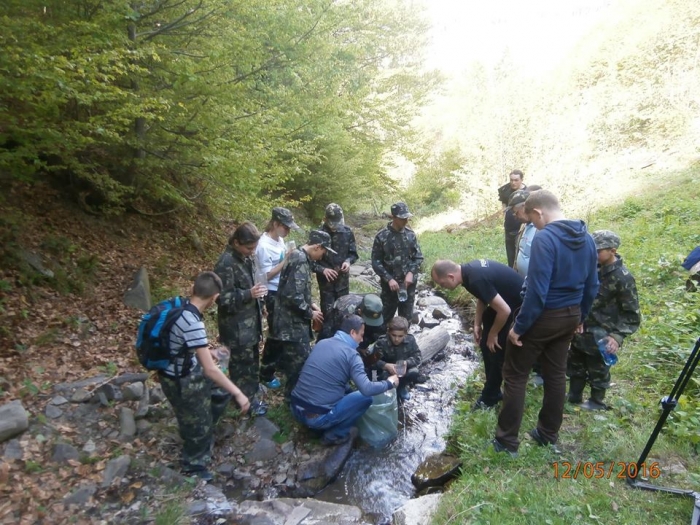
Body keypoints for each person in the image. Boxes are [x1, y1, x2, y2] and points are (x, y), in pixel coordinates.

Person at [493, 190, 598, 457]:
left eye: (531, 219)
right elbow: (592, 285)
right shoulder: (586, 238)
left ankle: (506, 442)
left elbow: (537, 291)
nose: (531, 225)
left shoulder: (545, 238)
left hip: (544, 315)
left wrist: (519, 327)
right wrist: (580, 317)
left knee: (515, 375)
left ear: (538, 212)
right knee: (555, 374)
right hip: (570, 314)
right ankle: (547, 434)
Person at [159, 271, 250, 481]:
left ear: (194, 288)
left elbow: (181, 343)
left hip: (178, 368)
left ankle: (204, 428)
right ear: (215, 298)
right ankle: (194, 467)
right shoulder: (193, 322)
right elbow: (210, 370)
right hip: (180, 379)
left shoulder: (179, 306)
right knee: (197, 422)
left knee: (218, 393)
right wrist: (238, 393)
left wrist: (209, 352)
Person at [291, 314, 399, 445]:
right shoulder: (352, 355)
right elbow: (367, 389)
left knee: (349, 391)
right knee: (365, 398)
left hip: (295, 408)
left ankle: (318, 424)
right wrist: (389, 383)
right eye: (361, 335)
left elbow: (333, 378)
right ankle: (335, 434)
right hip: (317, 418)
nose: (362, 339)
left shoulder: (322, 342)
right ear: (353, 333)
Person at [431, 259, 523, 409]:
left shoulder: (475, 278)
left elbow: (504, 310)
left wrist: (493, 334)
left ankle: (489, 398)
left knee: (495, 348)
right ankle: (492, 390)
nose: (444, 288)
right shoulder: (468, 273)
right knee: (485, 344)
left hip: (517, 307)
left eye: (442, 284)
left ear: (451, 277)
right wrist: (476, 323)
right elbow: (483, 296)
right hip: (503, 304)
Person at [568, 230, 641, 410]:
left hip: (602, 333)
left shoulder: (622, 278)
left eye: (598, 251)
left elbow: (632, 314)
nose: (593, 255)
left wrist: (617, 336)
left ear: (613, 251)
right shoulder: (591, 269)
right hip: (581, 329)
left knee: (598, 369)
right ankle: (574, 395)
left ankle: (596, 401)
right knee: (575, 363)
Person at [270, 229, 336, 400]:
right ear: (317, 247)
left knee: (295, 361)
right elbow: (293, 295)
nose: (323, 256)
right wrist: (310, 313)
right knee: (299, 364)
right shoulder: (300, 260)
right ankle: (293, 398)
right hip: (291, 324)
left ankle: (295, 395)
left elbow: (297, 290)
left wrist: (312, 304)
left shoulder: (300, 256)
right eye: (323, 251)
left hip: (291, 320)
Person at [214, 222, 268, 416]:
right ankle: (245, 401)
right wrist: (248, 294)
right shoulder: (225, 263)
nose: (252, 252)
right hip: (236, 327)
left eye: (254, 248)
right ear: (236, 242)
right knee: (240, 365)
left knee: (252, 359)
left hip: (250, 323)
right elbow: (221, 299)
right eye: (248, 248)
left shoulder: (245, 258)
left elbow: (252, 285)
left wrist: (260, 306)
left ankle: (252, 390)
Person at [256, 207, 299, 389]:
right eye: (285, 227)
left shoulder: (280, 240)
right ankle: (265, 372)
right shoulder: (263, 245)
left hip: (282, 291)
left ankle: (279, 363)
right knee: (275, 334)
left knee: (283, 331)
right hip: (271, 293)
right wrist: (286, 260)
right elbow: (265, 276)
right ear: (275, 224)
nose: (288, 231)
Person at [371, 202, 424, 325]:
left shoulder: (410, 235)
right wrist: (388, 278)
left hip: (408, 286)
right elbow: (376, 262)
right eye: (402, 218)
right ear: (393, 217)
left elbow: (418, 257)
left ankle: (404, 343)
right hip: (389, 287)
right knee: (384, 319)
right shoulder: (382, 236)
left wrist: (411, 272)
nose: (405, 221)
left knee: (406, 320)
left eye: (407, 218)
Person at [314, 203, 358, 321]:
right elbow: (309, 261)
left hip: (342, 283)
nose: (335, 227)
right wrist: (322, 270)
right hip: (326, 285)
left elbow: (353, 254)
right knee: (328, 316)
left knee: (344, 315)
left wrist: (348, 262)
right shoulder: (318, 234)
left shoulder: (347, 232)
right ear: (325, 219)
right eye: (332, 223)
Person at [370, 316, 422, 402]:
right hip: (387, 373)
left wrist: (406, 363)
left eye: (400, 336)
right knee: (377, 375)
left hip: (402, 371)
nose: (396, 339)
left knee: (414, 372)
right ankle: (386, 391)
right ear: (389, 332)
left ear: (405, 333)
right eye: (393, 335)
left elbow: (418, 357)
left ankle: (402, 388)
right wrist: (386, 366)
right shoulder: (382, 342)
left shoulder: (410, 340)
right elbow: (372, 361)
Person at [317, 292, 385, 351]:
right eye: (368, 320)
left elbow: (377, 332)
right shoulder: (343, 312)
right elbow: (331, 334)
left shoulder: (376, 310)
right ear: (360, 312)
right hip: (335, 328)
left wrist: (362, 347)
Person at [497, 169, 527, 268]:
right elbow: (504, 205)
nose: (513, 182)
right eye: (511, 180)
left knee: (520, 254)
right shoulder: (505, 191)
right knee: (510, 255)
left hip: (522, 227)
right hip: (509, 227)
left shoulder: (527, 193)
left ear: (521, 180)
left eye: (516, 180)